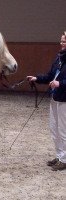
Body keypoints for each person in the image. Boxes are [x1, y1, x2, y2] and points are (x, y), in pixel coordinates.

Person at [27, 31, 66, 171]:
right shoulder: (59, 58)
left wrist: (60, 84)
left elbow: (60, 81)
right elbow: (50, 76)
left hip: (64, 100)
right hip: (55, 98)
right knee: (54, 129)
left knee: (63, 130)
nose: (62, 43)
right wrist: (37, 78)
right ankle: (59, 155)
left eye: (65, 42)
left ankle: (64, 159)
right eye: (61, 41)